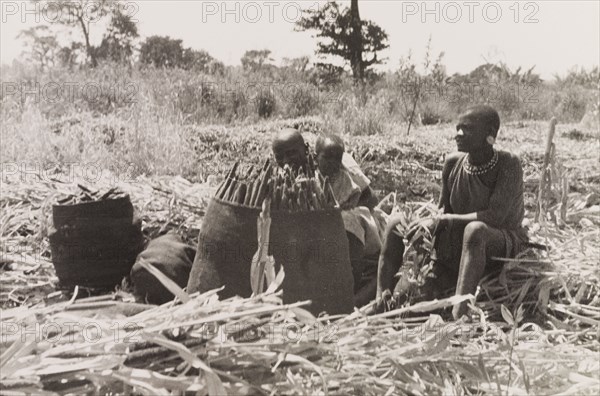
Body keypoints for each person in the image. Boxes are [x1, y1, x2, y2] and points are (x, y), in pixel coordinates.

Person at [376, 105, 528, 319]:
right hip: (459, 237)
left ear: (490, 133)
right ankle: (381, 297)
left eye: (467, 129)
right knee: (396, 224)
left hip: (499, 240)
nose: (458, 134)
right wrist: (426, 228)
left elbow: (496, 217)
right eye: (458, 128)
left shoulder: (508, 163)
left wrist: (444, 220)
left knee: (475, 230)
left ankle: (461, 312)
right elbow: (443, 209)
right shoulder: (453, 162)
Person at [272, 129, 383, 306]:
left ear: (307, 150)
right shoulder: (284, 176)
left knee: (346, 221)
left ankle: (350, 284)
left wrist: (343, 209)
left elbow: (371, 199)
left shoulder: (340, 161)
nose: (286, 160)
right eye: (280, 156)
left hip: (357, 223)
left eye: (292, 153)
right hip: (318, 234)